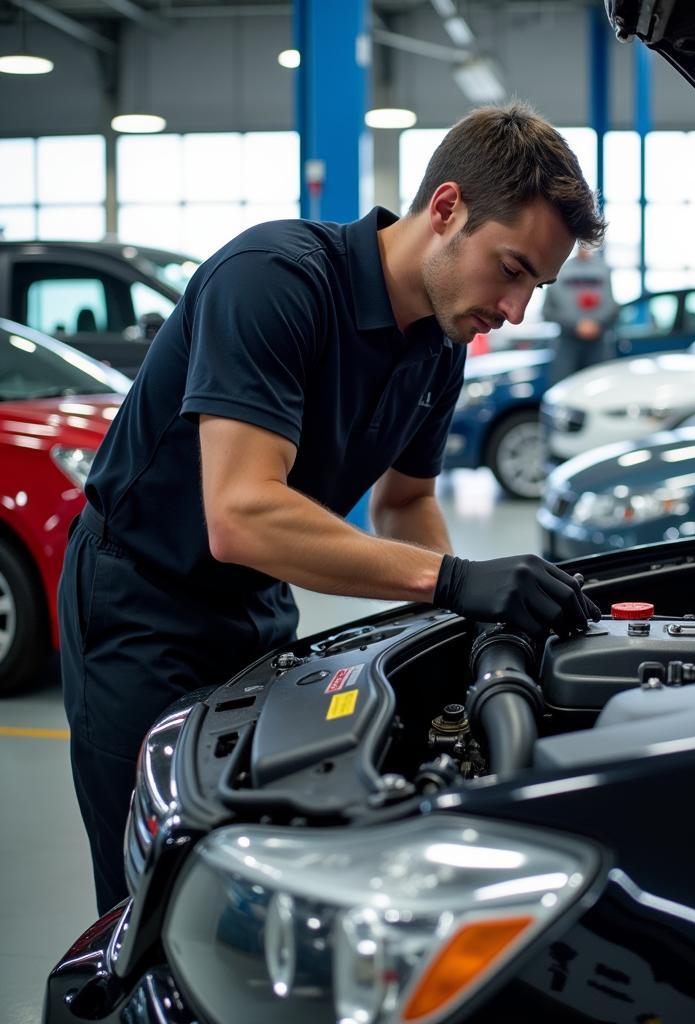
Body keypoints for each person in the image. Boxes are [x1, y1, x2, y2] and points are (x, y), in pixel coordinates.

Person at [58, 101, 606, 914]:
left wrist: (467, 622)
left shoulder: (438, 344)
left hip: (256, 603)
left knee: (250, 868)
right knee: (155, 897)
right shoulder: (276, 280)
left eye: (539, 285)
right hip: (140, 606)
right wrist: (455, 581)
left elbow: (408, 499)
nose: (518, 309)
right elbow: (240, 514)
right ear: (447, 208)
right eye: (514, 269)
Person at [541, 243, 618, 384]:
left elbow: (612, 307)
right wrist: (575, 325)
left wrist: (597, 324)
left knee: (601, 388)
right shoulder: (560, 270)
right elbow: (547, 312)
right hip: (567, 345)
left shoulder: (604, 271)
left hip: (598, 344)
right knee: (562, 388)